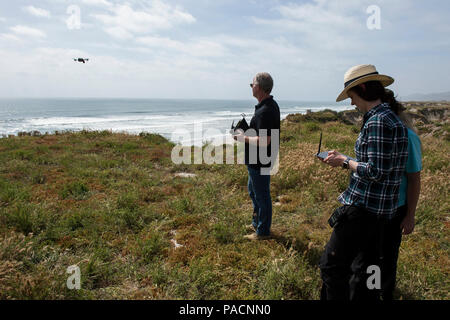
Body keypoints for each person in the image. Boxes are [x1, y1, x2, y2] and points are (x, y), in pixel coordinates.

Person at [318, 64, 409, 300]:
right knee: (367, 269)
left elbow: (376, 171)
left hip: (363, 209)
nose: (351, 103)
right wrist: (344, 158)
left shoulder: (377, 121)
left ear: (364, 88)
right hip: (382, 212)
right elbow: (383, 167)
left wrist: (345, 163)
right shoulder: (392, 119)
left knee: (332, 265)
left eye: (352, 96)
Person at [379, 103, 422, 300]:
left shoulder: (408, 137)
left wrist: (410, 215)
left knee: (387, 256)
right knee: (373, 254)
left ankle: (384, 293)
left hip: (396, 207)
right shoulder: (380, 133)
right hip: (376, 207)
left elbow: (414, 178)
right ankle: (374, 290)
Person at [232, 72, 280, 240]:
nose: (251, 87)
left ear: (258, 87)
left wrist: (241, 137)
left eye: (251, 84)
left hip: (260, 160)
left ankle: (263, 232)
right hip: (258, 160)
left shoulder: (265, 110)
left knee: (262, 196)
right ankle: (257, 223)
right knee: (254, 192)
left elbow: (265, 140)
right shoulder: (267, 106)